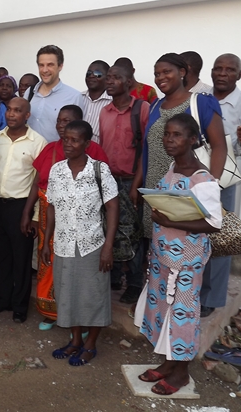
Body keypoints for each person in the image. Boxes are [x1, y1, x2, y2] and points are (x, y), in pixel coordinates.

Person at [134, 113, 222, 395]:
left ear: (193, 139)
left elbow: (212, 223)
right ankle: (168, 362)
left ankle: (181, 372)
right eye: (167, 134)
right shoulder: (173, 169)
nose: (169, 140)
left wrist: (172, 222)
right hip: (163, 258)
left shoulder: (202, 179)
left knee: (182, 313)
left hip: (186, 261)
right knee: (163, 309)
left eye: (177, 135)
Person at [21, 105, 109, 330]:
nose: (61, 126)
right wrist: (28, 212)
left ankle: (80, 320)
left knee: (80, 272)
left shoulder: (95, 154)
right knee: (49, 265)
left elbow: (106, 195)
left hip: (84, 224)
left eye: (67, 121)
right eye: (59, 121)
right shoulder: (51, 150)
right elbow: (37, 184)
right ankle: (51, 311)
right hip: (49, 215)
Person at [130, 53, 226, 256]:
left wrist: (211, 185)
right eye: (157, 74)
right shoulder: (155, 105)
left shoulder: (201, 103)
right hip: (156, 189)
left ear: (182, 72)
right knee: (159, 247)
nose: (160, 77)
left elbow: (219, 146)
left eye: (166, 72)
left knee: (187, 246)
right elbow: (148, 147)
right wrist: (137, 184)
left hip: (188, 191)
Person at [42, 120, 119, 366]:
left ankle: (90, 344)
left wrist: (108, 246)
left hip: (92, 244)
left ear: (87, 144)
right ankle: (75, 340)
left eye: (75, 140)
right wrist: (46, 242)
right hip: (63, 243)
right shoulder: (57, 170)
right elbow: (51, 207)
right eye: (66, 139)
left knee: (93, 294)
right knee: (68, 293)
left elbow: (113, 208)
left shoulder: (100, 170)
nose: (68, 144)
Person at [201, 53, 241, 317]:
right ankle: (191, 289)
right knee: (193, 235)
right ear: (212, 72)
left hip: (223, 180)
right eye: (218, 68)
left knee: (219, 239)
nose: (223, 73)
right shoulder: (201, 98)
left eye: (230, 69)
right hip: (194, 175)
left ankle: (211, 298)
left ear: (239, 75)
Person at [0, 98, 46, 323]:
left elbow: (39, 182)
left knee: (21, 259)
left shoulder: (38, 143)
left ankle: (20, 306)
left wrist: (32, 216)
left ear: (27, 115)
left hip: (21, 207)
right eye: (9, 110)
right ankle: (3, 300)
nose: (11, 114)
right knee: (0, 257)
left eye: (17, 111)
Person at [99, 65, 149, 304]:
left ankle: (136, 283)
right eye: (108, 78)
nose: (110, 81)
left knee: (133, 233)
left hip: (131, 180)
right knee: (111, 227)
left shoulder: (142, 109)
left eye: (116, 78)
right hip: (109, 179)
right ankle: (115, 277)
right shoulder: (104, 111)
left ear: (129, 83)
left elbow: (146, 150)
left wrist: (136, 184)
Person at [27, 45, 85, 142]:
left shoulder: (74, 97)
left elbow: (78, 133)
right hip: (28, 154)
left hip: (56, 155)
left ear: (60, 66)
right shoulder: (30, 93)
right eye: (41, 65)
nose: (45, 70)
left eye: (50, 65)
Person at [81, 60, 112, 143]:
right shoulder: (78, 97)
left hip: (101, 152)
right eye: (89, 73)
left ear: (107, 78)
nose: (91, 76)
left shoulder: (112, 102)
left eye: (97, 74)